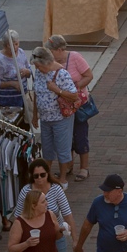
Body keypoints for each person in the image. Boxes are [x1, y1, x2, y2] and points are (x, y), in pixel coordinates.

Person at [11, 159, 74, 252]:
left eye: (42, 175)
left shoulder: (55, 195)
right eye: (36, 176)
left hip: (52, 239)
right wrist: (23, 243)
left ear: (47, 174)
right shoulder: (26, 193)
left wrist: (71, 236)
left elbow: (67, 214)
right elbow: (18, 218)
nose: (39, 178)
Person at [47, 34, 94, 182]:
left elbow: (88, 75)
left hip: (77, 105)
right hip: (62, 106)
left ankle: (84, 168)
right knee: (66, 137)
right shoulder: (52, 62)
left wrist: (75, 88)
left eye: (52, 51)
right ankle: (68, 165)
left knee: (80, 135)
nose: (50, 54)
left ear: (60, 49)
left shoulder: (75, 57)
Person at [31, 46, 80, 186]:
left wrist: (57, 90)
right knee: (47, 148)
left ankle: (63, 178)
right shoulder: (40, 72)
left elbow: (74, 95)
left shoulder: (62, 74)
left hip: (60, 119)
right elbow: (36, 93)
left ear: (47, 62)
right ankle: (48, 176)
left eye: (39, 66)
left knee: (62, 148)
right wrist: (35, 115)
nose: (38, 69)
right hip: (45, 119)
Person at [0, 30, 32, 109]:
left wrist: (27, 72)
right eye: (11, 45)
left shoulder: (21, 52)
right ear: (5, 45)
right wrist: (12, 83)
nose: (15, 47)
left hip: (22, 100)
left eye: (16, 44)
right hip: (5, 103)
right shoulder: (0, 61)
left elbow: (29, 70)